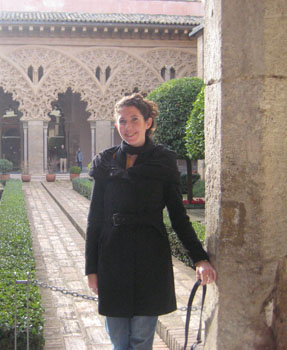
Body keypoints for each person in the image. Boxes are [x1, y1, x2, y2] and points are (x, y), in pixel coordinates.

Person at [85, 93, 216, 350]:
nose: (128, 127)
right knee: (119, 340)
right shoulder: (105, 162)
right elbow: (94, 220)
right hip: (112, 259)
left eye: (134, 119)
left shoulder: (163, 161)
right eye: (122, 121)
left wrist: (199, 258)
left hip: (150, 259)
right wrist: (91, 268)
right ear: (116, 125)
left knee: (141, 340)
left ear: (148, 122)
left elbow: (178, 217)